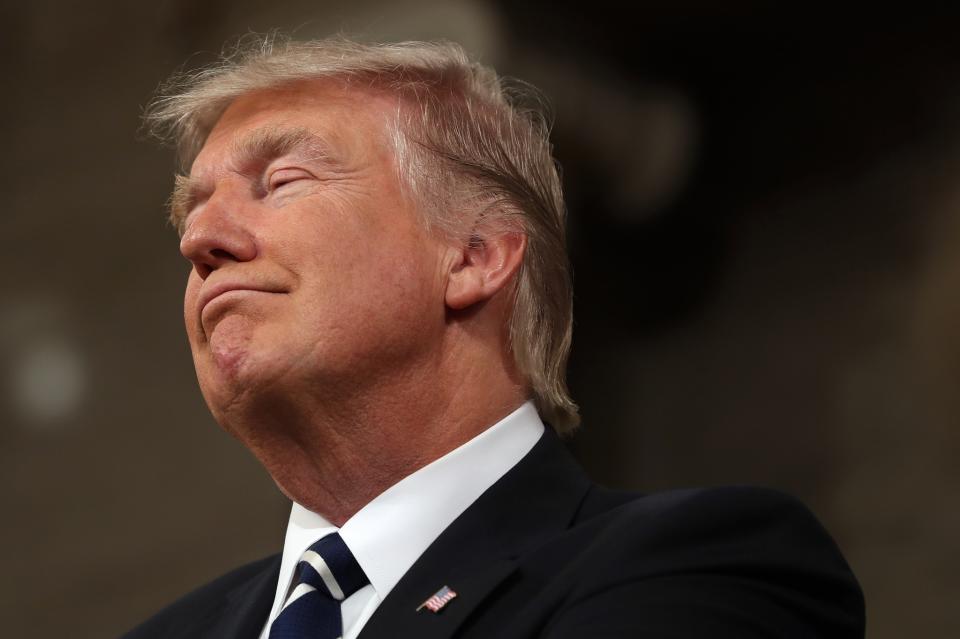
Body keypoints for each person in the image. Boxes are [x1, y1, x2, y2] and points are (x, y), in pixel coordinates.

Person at [124, 35, 865, 638]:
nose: (200, 238)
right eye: (192, 210)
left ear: (474, 256)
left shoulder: (697, 566)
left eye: (283, 180)